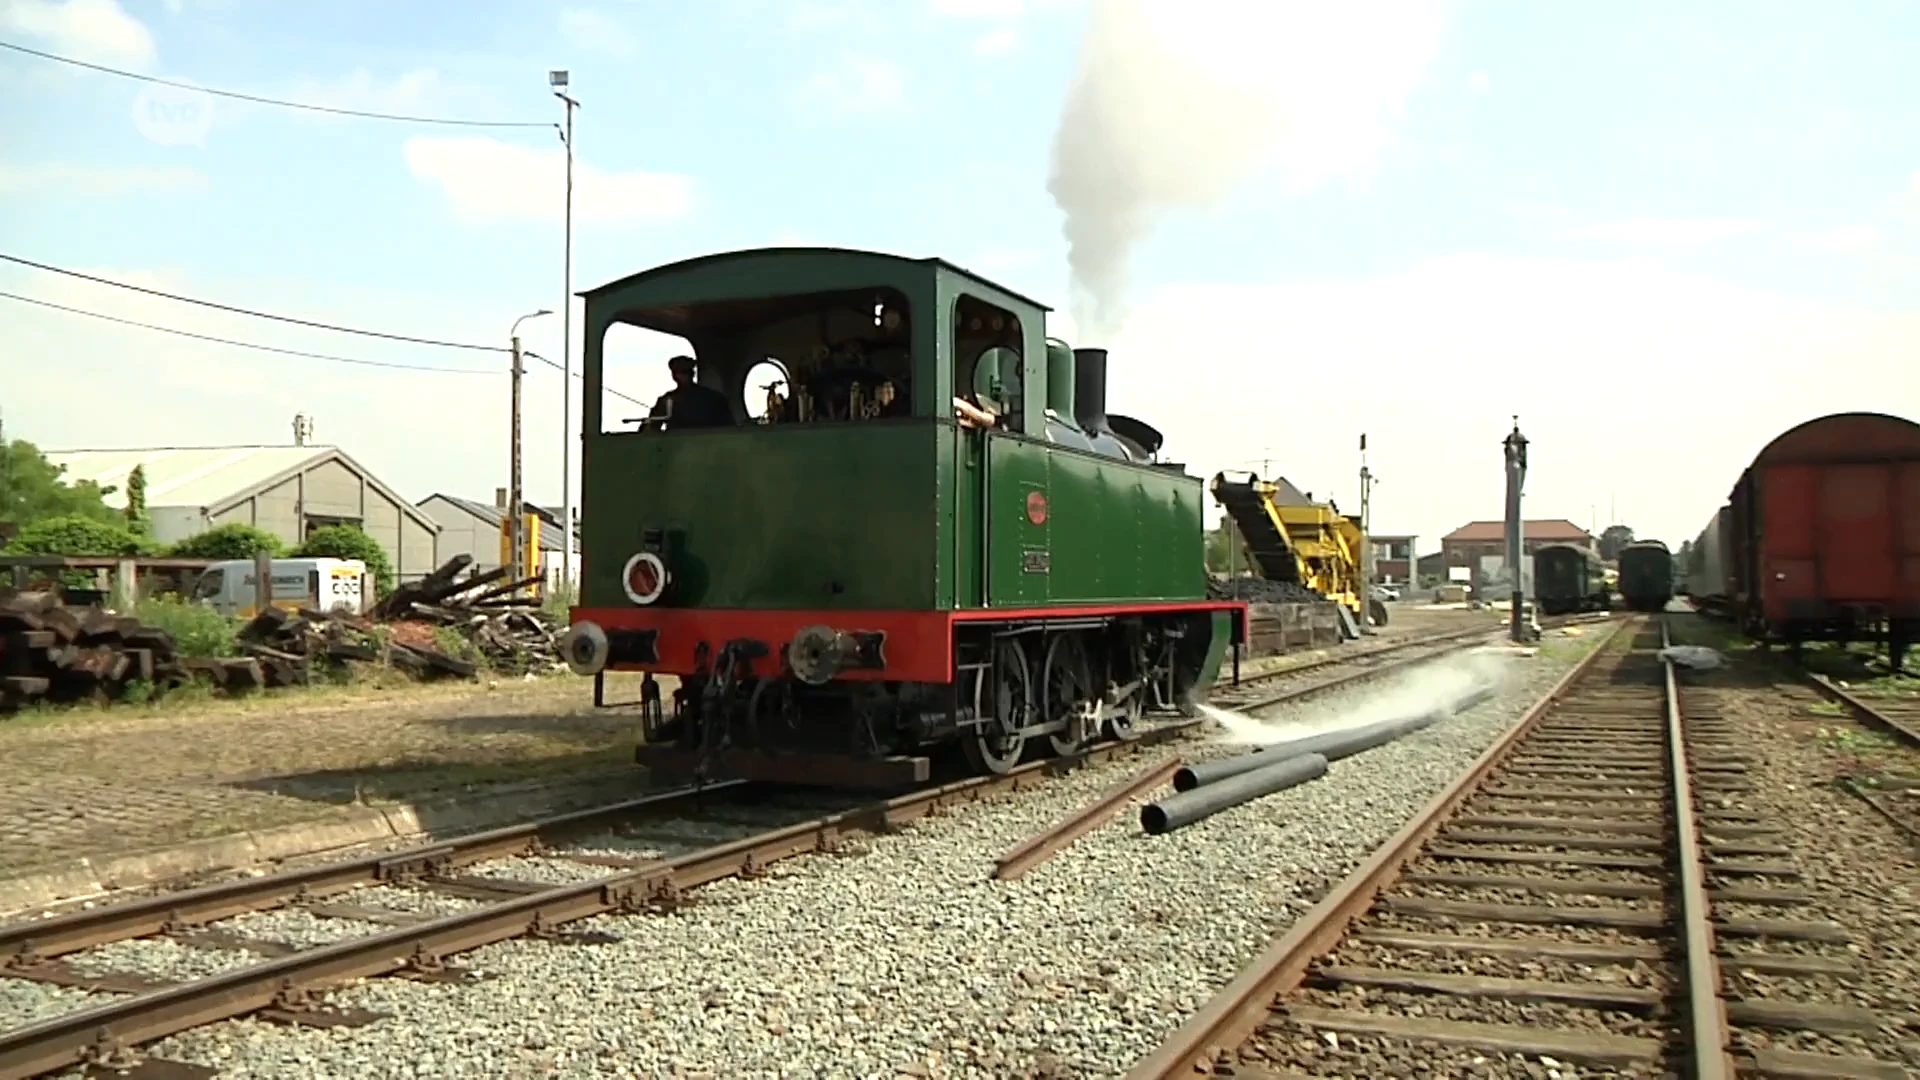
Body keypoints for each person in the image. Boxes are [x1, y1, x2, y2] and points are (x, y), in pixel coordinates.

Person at [647, 355, 733, 431]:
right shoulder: (667, 400)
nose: (681, 376)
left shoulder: (715, 398)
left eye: (683, 372)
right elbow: (650, 428)